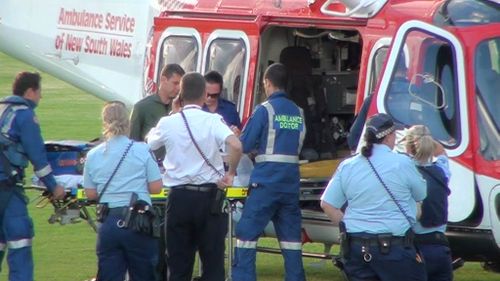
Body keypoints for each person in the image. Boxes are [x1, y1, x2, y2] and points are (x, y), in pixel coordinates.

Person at [146, 72, 242, 281]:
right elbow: (235, 144)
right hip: (209, 198)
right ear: (203, 95)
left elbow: (149, 145)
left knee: (178, 264)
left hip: (179, 198)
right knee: (213, 263)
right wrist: (231, 173)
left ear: (180, 95)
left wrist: (172, 115)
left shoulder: (168, 123)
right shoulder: (213, 120)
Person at [320, 113, 427, 281]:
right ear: (389, 136)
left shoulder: (348, 165)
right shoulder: (403, 163)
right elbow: (421, 194)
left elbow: (327, 204)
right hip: (395, 249)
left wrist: (346, 227)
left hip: (356, 249)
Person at [232, 63, 306, 281]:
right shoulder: (299, 112)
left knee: (246, 234)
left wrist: (237, 136)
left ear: (267, 83)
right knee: (292, 241)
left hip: (266, 183)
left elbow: (243, 145)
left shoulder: (264, 110)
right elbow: (292, 147)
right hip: (290, 184)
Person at [83, 101, 163, 281]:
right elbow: (156, 187)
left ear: (105, 123)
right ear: (128, 123)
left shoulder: (93, 154)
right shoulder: (142, 150)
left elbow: (90, 193)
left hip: (109, 221)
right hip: (139, 221)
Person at [0, 72, 65, 281]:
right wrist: (54, 187)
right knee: (20, 242)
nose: (40, 97)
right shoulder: (25, 115)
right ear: (30, 92)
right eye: (39, 92)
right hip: (7, 188)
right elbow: (38, 158)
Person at [405, 125, 453, 281]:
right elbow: (442, 152)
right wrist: (427, 137)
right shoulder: (442, 171)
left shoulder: (405, 173)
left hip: (415, 248)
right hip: (441, 248)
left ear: (408, 147)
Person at [129, 64, 185, 161]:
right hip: (148, 166)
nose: (178, 88)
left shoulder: (183, 107)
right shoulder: (142, 107)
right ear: (163, 80)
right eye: (175, 83)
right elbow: (132, 143)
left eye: (180, 85)